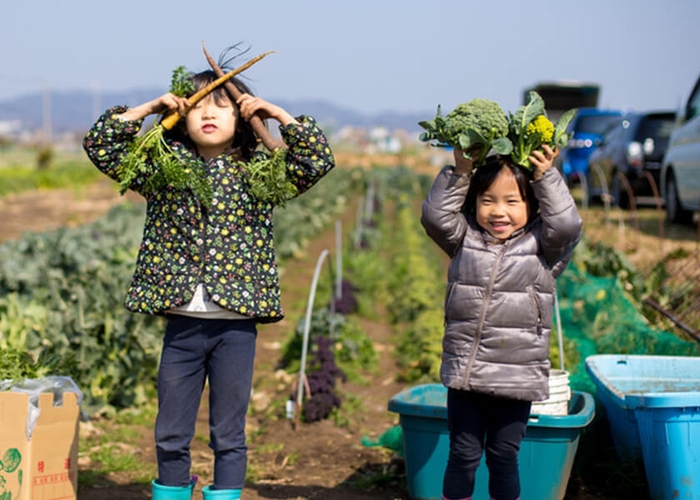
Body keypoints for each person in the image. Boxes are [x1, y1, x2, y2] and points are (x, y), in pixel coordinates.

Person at [83, 66, 335, 500]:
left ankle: (227, 492)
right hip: (182, 325)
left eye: (221, 104)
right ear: (182, 118)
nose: (208, 113)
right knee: (171, 431)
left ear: (240, 118)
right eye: (196, 106)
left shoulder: (258, 173)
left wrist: (276, 114)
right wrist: (149, 108)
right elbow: (100, 144)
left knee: (228, 432)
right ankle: (174, 490)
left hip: (235, 327)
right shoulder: (164, 167)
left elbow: (315, 160)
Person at [420, 144, 582, 500]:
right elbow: (435, 217)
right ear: (473, 201)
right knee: (462, 455)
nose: (499, 212)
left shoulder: (544, 248)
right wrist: (460, 172)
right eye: (488, 200)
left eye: (513, 201)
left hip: (516, 376)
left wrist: (545, 176)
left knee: (503, 456)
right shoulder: (464, 239)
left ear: (532, 205)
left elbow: (567, 224)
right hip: (467, 375)